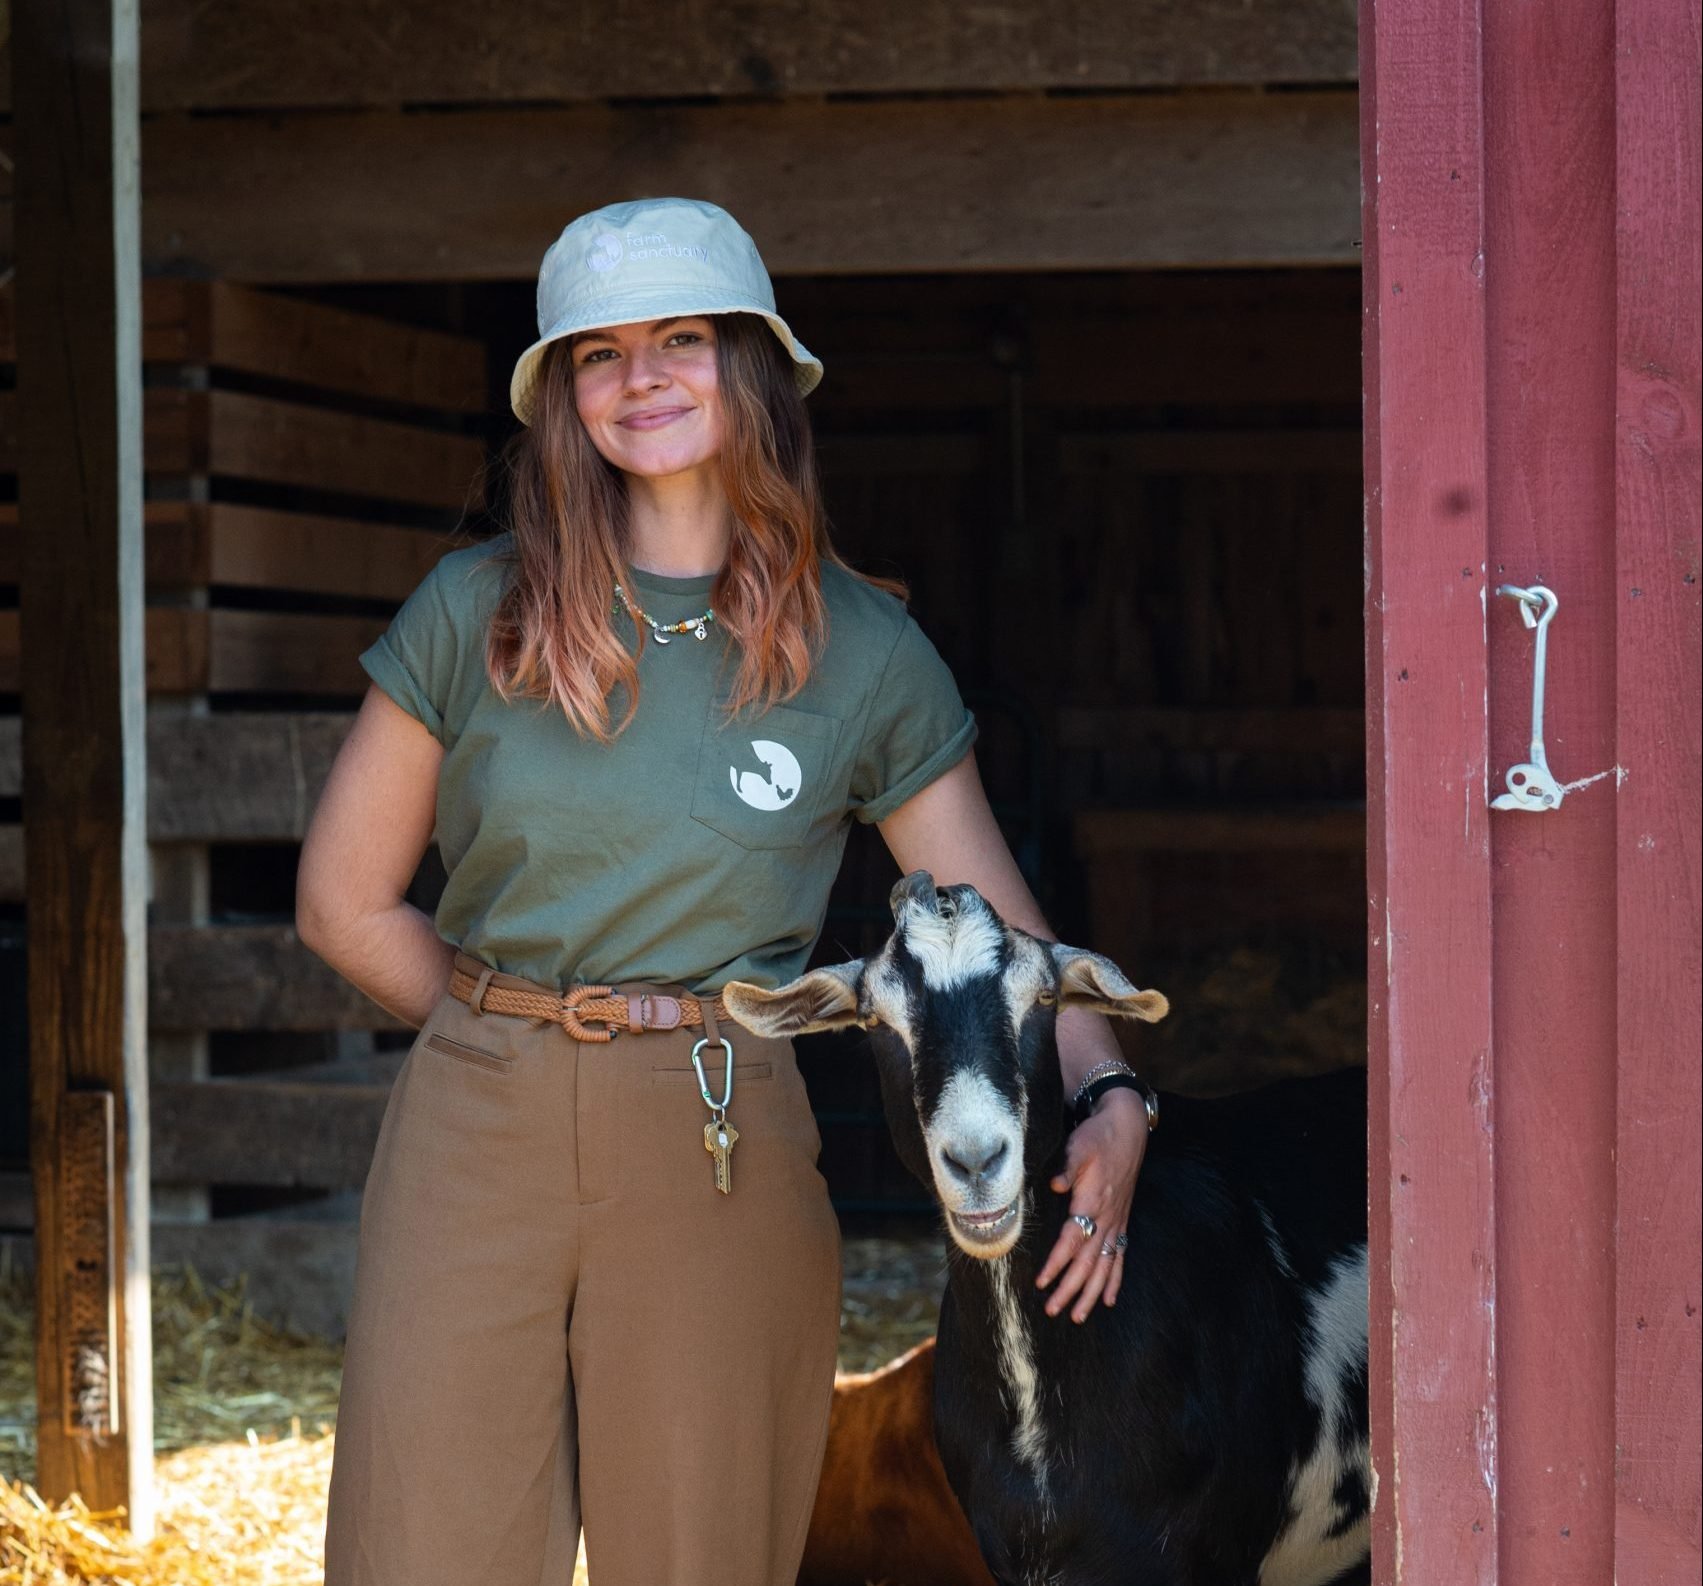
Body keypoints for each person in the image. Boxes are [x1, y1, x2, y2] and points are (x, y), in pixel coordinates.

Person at [299, 196, 1153, 1586]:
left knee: (702, 1555)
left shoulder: (864, 650)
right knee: (426, 1551)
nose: (642, 378)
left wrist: (1112, 1090)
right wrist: (510, 1035)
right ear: (563, 397)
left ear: (750, 365)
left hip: (721, 1132)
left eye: (681, 337)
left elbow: (996, 927)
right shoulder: (476, 610)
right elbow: (342, 898)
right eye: (599, 353)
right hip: (474, 1130)